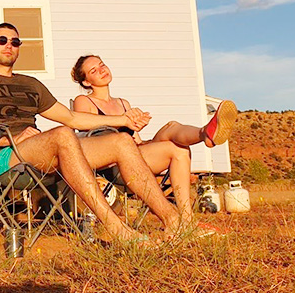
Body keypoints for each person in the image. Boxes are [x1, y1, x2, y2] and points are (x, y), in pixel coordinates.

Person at [0, 23, 191, 243]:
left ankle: (175, 222)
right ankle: (119, 230)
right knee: (63, 135)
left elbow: (71, 117)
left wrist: (124, 119)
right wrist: (11, 138)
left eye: (15, 42)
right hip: (3, 157)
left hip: (40, 153)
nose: (9, 45)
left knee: (120, 140)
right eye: (2, 40)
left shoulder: (31, 84)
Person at [71, 54, 237, 223]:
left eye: (102, 65)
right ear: (86, 82)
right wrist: (123, 121)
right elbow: (85, 128)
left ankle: (205, 133)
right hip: (113, 165)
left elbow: (136, 141)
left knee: (171, 127)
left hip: (135, 154)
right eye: (94, 70)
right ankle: (186, 221)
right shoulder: (84, 101)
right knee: (178, 149)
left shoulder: (123, 103)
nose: (101, 70)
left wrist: (136, 126)